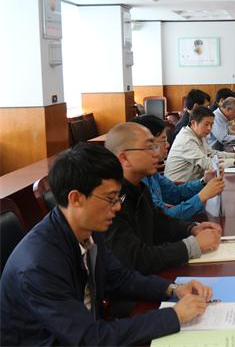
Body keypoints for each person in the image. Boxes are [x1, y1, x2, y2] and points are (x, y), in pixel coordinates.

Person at [0, 144, 213, 346]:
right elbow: (89, 339)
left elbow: (119, 277)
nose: (118, 207)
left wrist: (173, 289)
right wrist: (173, 316)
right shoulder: (39, 265)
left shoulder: (88, 227)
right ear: (76, 199)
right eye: (110, 198)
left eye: (118, 197)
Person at [105, 122, 223, 275]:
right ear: (124, 158)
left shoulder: (140, 186)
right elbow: (136, 258)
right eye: (150, 147)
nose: (156, 153)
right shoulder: (111, 200)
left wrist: (191, 228)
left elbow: (159, 222)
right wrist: (193, 246)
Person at [131, 115, 224, 220]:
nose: (167, 145)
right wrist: (202, 196)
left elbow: (175, 193)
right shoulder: (137, 181)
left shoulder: (151, 173)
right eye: (163, 140)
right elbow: (163, 218)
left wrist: (203, 181)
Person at [166, 106, 235, 182]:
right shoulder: (186, 140)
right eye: (206, 124)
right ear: (193, 123)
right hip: (179, 186)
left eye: (212, 124)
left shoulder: (199, 134)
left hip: (194, 182)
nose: (209, 128)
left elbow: (212, 153)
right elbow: (207, 163)